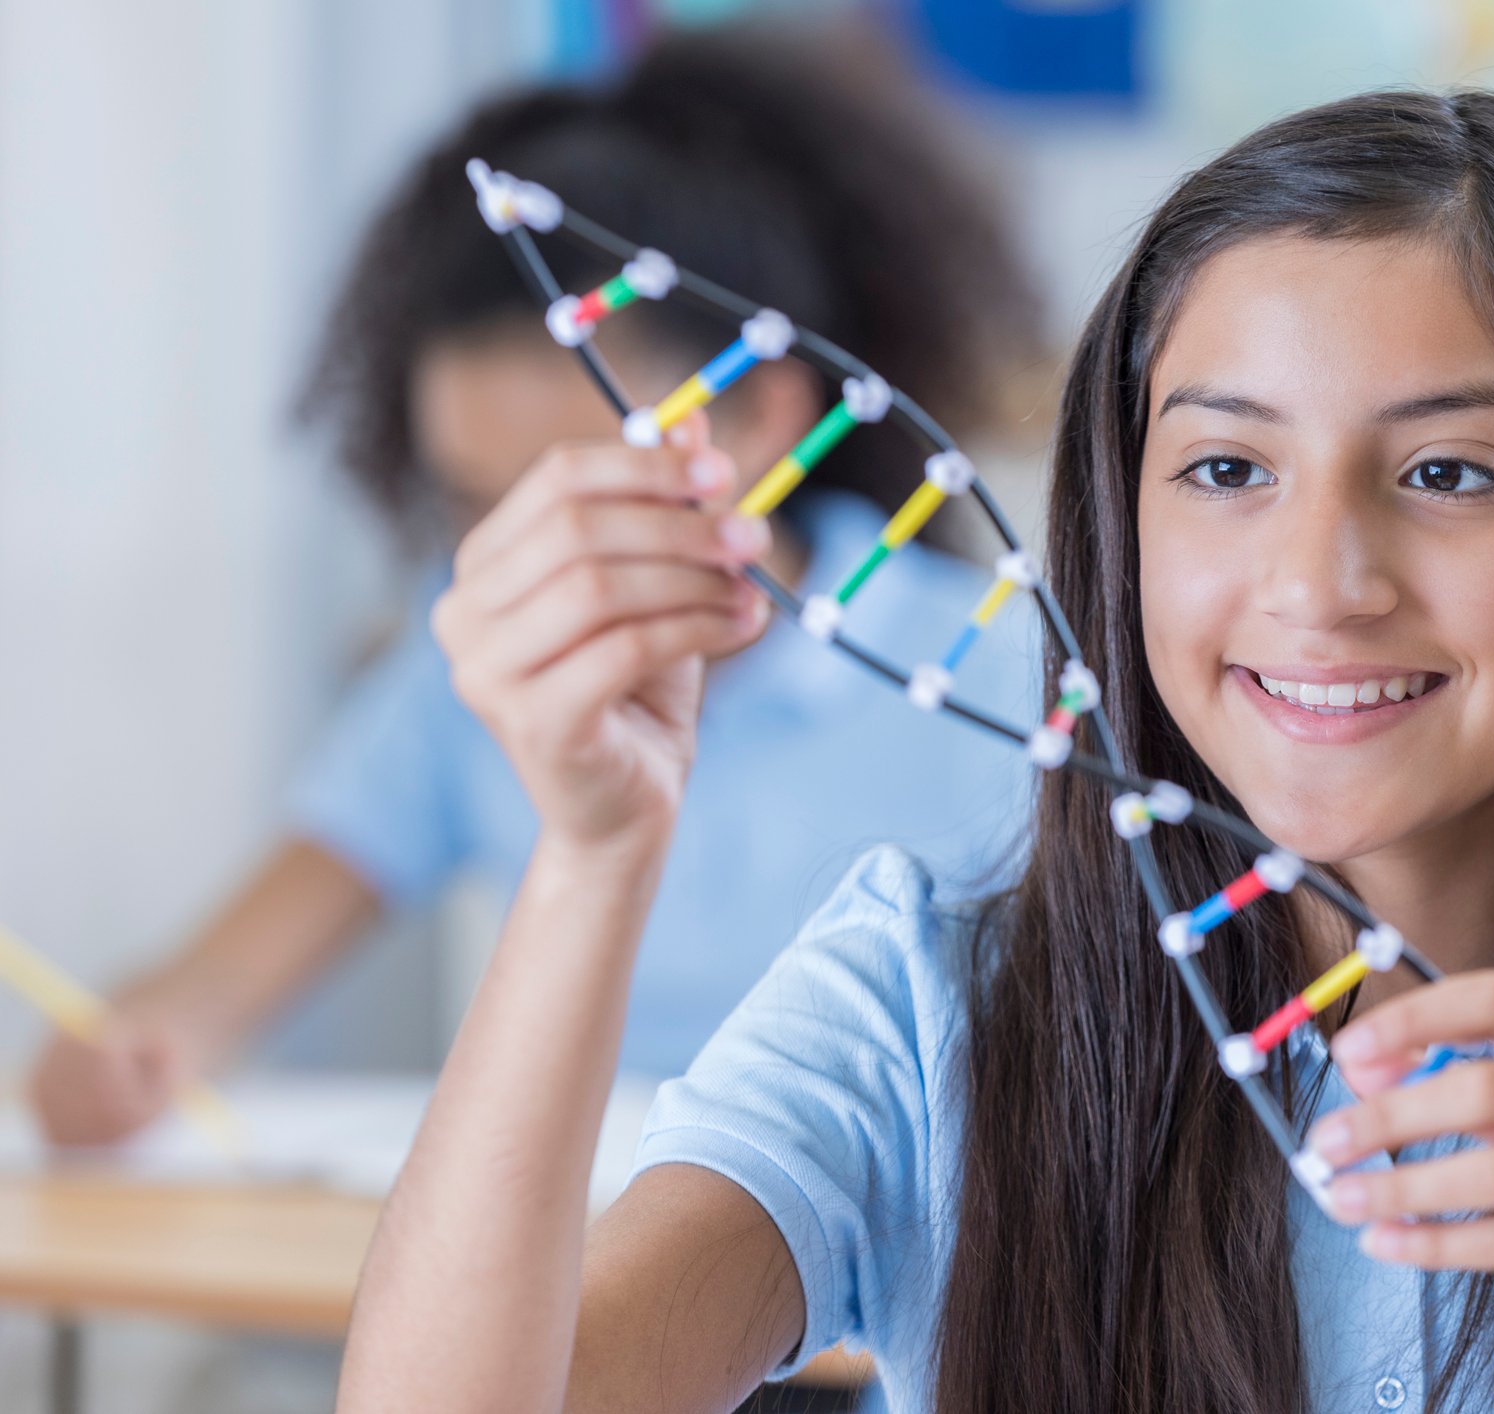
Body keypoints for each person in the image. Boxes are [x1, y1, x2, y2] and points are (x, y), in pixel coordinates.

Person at [335, 90, 1494, 1413]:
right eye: (1222, 469)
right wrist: (592, 853)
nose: (1319, 583)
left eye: (1447, 473)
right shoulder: (927, 1013)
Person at [29, 24, 1044, 1141]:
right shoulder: (464, 663)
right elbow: (219, 980)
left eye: (573, 492)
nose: (521, 557)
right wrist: (136, 1050)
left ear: (763, 418)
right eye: (471, 504)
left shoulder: (1006, 686)